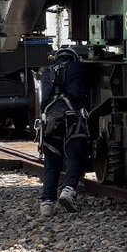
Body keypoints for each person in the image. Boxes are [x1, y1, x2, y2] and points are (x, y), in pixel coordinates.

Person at [36, 47, 89, 217]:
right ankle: (68, 190)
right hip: (71, 117)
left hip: (49, 119)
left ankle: (47, 203)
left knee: (51, 162)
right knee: (74, 155)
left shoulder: (46, 72)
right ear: (73, 58)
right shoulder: (78, 68)